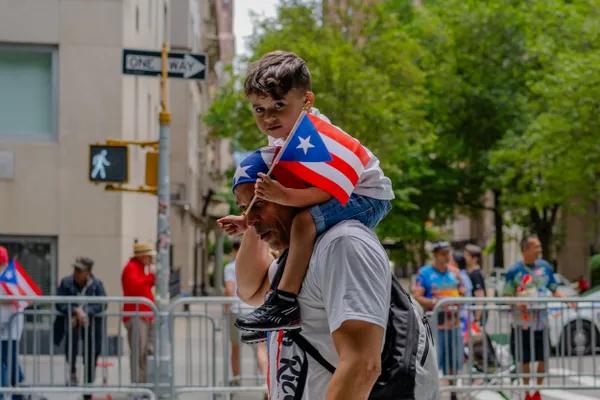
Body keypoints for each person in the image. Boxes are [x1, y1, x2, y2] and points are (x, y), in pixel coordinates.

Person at [226, 154, 439, 399]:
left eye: (259, 203)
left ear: (295, 190)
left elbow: (362, 365)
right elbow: (249, 289)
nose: (249, 219)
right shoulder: (298, 256)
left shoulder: (343, 244)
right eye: (243, 209)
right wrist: (255, 218)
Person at [218, 50, 394, 332]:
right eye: (259, 109)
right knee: (301, 226)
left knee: (303, 221)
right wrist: (247, 219)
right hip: (339, 194)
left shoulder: (313, 135)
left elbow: (326, 192)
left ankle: (284, 304)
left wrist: (282, 196)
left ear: (306, 101)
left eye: (278, 105)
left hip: (366, 196)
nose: (268, 117)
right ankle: (276, 321)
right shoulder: (282, 132)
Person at [503, 235, 574, 400]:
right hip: (522, 323)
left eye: (540, 246)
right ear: (525, 249)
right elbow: (506, 296)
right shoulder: (514, 270)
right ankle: (528, 392)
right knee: (525, 359)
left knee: (543, 357)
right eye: (536, 247)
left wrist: (568, 301)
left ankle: (537, 391)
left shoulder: (545, 267)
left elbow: (554, 288)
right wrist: (516, 303)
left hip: (541, 322)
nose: (540, 250)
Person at [412, 241, 465, 400]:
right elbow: (417, 296)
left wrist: (458, 300)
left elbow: (463, 293)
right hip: (435, 327)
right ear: (435, 255)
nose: (447, 257)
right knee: (433, 362)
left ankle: (453, 394)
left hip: (454, 325)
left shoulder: (455, 272)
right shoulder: (425, 273)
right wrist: (437, 303)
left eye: (448, 253)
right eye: (443, 253)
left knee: (453, 361)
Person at [54, 257, 106, 400]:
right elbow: (59, 303)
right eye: (75, 269)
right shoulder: (66, 283)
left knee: (91, 354)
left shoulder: (96, 285)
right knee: (71, 349)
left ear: (87, 272)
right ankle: (72, 373)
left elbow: (102, 304)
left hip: (91, 326)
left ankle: (88, 388)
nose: (76, 273)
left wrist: (86, 312)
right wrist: (75, 310)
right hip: (71, 325)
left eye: (79, 270)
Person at [223, 241, 268, 388]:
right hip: (255, 310)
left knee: (235, 348)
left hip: (237, 310)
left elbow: (229, 290)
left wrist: (226, 308)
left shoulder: (230, 267)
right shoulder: (256, 265)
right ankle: (264, 382)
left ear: (235, 251)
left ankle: (236, 380)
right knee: (260, 348)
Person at [121, 242, 156, 395]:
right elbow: (136, 287)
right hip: (136, 316)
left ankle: (143, 386)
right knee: (138, 353)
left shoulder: (140, 268)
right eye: (149, 257)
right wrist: (150, 276)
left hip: (144, 316)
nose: (151, 260)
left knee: (144, 353)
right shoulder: (131, 268)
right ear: (142, 256)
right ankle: (137, 387)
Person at [0, 247, 24, 400]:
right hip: (6, 329)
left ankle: (16, 393)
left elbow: (15, 297)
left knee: (8, 363)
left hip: (9, 329)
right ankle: (18, 392)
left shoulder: (8, 277)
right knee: (8, 362)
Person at [464, 244, 487, 325]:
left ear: (475, 258)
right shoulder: (469, 272)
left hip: (475, 317)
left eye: (467, 255)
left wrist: (477, 319)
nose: (465, 257)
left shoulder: (476, 274)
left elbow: (480, 296)